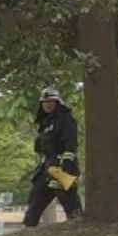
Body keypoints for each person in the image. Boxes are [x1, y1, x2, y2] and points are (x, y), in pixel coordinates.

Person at [22, 86, 84, 227]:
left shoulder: (65, 120)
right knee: (35, 198)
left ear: (57, 103)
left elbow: (70, 143)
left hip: (63, 167)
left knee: (69, 200)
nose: (47, 105)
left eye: (50, 102)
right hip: (47, 167)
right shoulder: (45, 123)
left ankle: (79, 229)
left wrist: (66, 163)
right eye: (44, 102)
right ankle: (29, 228)